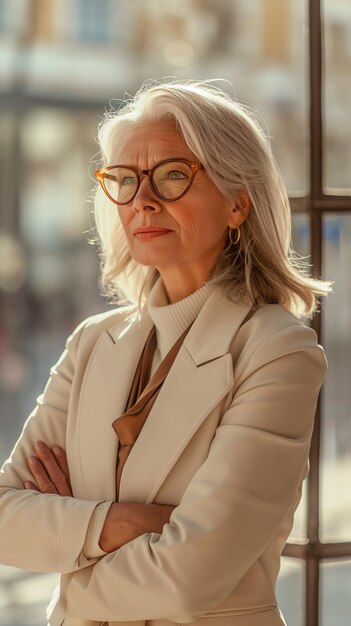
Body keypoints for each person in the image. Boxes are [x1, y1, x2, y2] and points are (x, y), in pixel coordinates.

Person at [0, 80, 332, 626]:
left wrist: (69, 548)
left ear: (237, 202)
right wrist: (120, 524)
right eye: (125, 180)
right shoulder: (91, 342)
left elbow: (187, 580)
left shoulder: (277, 349)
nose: (143, 201)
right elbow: (6, 516)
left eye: (174, 175)